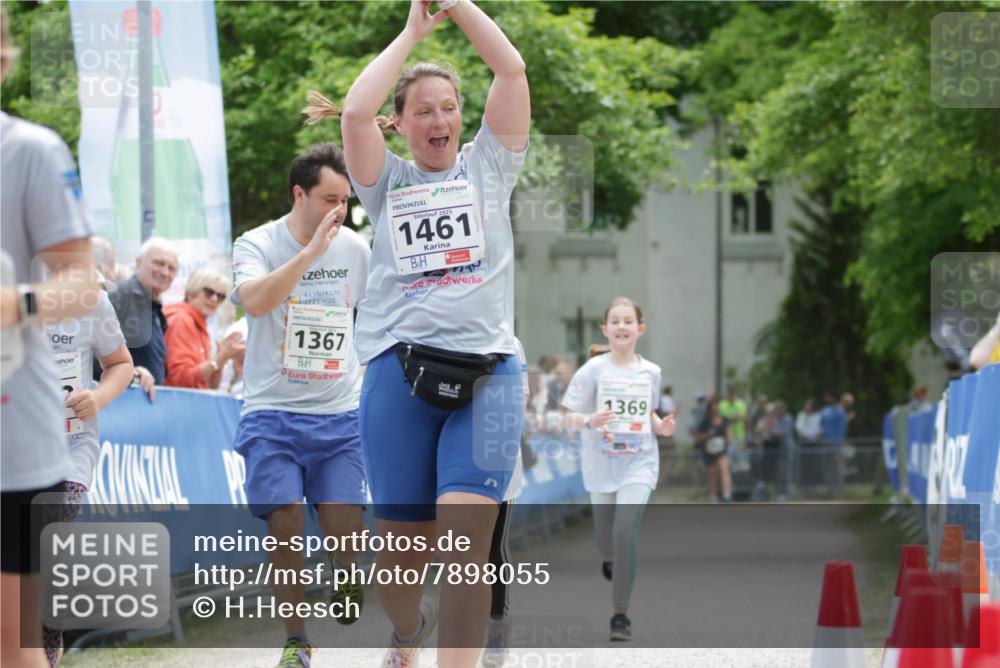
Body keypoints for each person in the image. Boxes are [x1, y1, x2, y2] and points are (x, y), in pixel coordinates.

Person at [305, 2, 530, 666]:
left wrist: (460, 8)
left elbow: (511, 70)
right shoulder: (386, 183)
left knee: (464, 542)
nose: (440, 119)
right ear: (399, 124)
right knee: (401, 558)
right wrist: (412, 33)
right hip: (398, 376)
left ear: (465, 116)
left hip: (491, 374)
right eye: (423, 110)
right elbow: (351, 116)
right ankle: (408, 632)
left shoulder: (490, 166)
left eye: (450, 106)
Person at [231, 142, 371, 667]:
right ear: (300, 194)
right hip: (271, 411)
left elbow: (375, 316)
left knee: (344, 529)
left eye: (346, 200)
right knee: (284, 520)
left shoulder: (357, 250)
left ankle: (349, 574)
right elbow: (257, 301)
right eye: (330, 198)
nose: (341, 210)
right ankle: (297, 640)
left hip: (338, 412)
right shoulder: (258, 243)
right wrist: (310, 253)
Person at [1, 9, 102, 665]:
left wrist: (18, 303)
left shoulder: (29, 151)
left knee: (12, 641)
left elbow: (83, 285)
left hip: (13, 435)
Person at [561, 297, 676, 642]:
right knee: (605, 538)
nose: (622, 326)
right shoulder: (592, 371)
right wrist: (589, 420)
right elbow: (567, 416)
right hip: (601, 463)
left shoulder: (651, 372)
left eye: (629, 321)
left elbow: (649, 413)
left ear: (640, 329)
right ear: (605, 330)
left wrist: (659, 427)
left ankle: (620, 615)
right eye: (616, 321)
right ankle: (609, 557)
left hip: (639, 462)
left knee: (626, 531)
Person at [42, 291, 133, 666]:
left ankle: (45, 642)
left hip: (70, 448)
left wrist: (97, 397)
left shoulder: (90, 300)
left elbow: (120, 364)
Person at [108, 236, 179, 385]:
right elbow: (88, 352)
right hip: (117, 403)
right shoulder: (119, 296)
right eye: (159, 263)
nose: (165, 272)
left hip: (146, 405)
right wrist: (131, 373)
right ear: (138, 264)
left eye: (171, 268)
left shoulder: (157, 311)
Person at [163, 268, 245, 390]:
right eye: (209, 292)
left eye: (220, 296)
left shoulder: (201, 325)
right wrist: (222, 357)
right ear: (191, 292)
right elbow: (181, 380)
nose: (214, 299)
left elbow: (210, 386)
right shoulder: (182, 320)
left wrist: (222, 357)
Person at [694, 397, 733, 503]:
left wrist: (729, 439)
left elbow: (729, 434)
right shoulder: (705, 423)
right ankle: (713, 497)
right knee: (712, 474)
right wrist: (707, 435)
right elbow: (697, 437)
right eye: (713, 408)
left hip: (722, 450)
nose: (715, 410)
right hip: (709, 451)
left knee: (724, 469)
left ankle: (727, 495)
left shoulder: (724, 420)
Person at [820, 392, 848, 495]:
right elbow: (821, 425)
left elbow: (842, 429)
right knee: (827, 465)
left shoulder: (840, 412)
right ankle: (829, 488)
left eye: (829, 398)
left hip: (836, 443)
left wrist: (838, 444)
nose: (827, 400)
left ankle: (839, 488)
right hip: (826, 442)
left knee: (837, 465)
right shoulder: (824, 411)